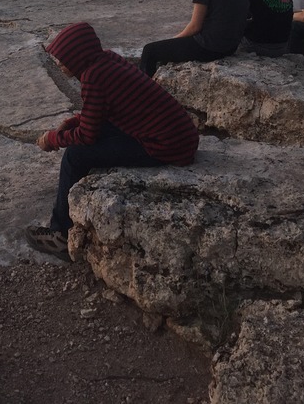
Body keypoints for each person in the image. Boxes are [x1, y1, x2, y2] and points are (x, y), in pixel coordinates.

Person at [25, 22, 199, 260]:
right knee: (95, 136)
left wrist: (53, 139)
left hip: (165, 146)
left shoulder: (93, 77)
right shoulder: (106, 60)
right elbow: (101, 112)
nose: (59, 63)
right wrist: (75, 121)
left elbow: (87, 136)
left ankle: (60, 236)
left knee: (75, 155)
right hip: (180, 136)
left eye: (63, 58)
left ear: (78, 57)